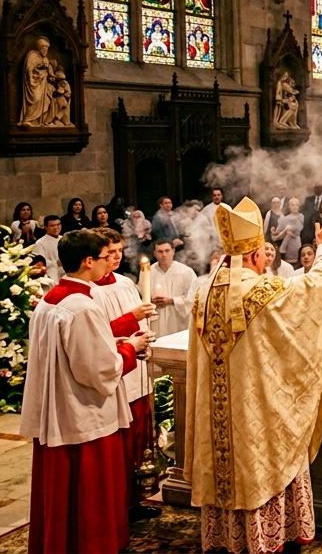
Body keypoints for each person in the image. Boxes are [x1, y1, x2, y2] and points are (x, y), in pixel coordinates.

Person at [186, 198, 322, 554]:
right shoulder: (260, 289)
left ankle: (228, 536)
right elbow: (315, 287)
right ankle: (263, 537)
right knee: (263, 458)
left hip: (217, 415)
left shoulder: (203, 292)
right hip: (254, 409)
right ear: (256, 255)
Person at [22, 229, 149, 554]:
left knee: (62, 492)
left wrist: (114, 343)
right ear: (88, 261)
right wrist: (130, 348)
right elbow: (97, 370)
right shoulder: (82, 307)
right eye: (105, 257)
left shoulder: (51, 300)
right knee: (91, 493)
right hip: (84, 414)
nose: (109, 263)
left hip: (57, 407)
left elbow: (73, 352)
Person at [89, 228, 160, 523]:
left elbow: (139, 324)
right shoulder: (89, 291)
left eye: (120, 251)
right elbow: (95, 336)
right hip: (114, 373)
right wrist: (133, 318)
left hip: (135, 369)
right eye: (110, 253)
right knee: (119, 445)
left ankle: (134, 500)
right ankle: (116, 506)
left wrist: (144, 341)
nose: (116, 258)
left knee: (139, 441)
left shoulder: (126, 283)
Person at [148, 239, 197, 336]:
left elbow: (195, 297)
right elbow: (142, 295)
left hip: (178, 320)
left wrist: (172, 300)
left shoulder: (186, 272)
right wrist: (151, 301)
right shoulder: (148, 272)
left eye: (167, 251)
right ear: (154, 253)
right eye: (160, 251)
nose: (164, 255)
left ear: (173, 251)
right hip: (157, 319)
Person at [272, 198, 305, 265]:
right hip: (287, 245)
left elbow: (299, 230)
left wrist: (291, 232)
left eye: (296, 205)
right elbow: (278, 233)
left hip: (297, 243)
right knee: (288, 263)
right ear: (289, 206)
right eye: (292, 205)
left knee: (298, 262)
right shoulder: (284, 219)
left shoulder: (301, 217)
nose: (294, 207)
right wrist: (277, 232)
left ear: (299, 207)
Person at [34, 215, 63, 281]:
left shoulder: (64, 239)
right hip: (50, 277)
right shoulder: (40, 243)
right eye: (52, 226)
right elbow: (40, 264)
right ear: (46, 227)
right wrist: (56, 262)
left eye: (58, 225)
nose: (56, 227)